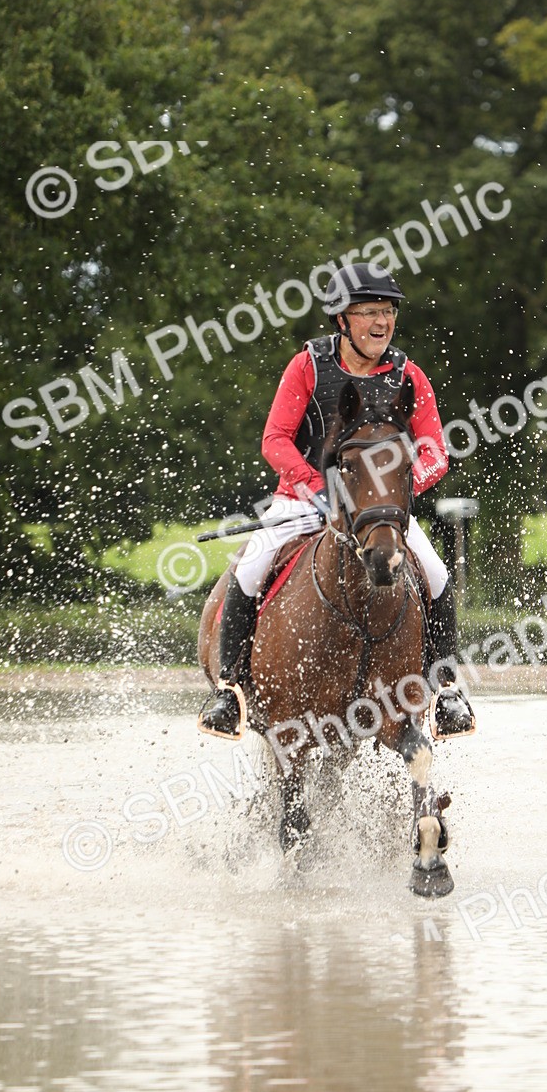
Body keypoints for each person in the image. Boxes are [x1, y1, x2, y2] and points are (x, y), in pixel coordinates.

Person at [199, 263, 474, 738]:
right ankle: (230, 690)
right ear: (342, 321)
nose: (381, 322)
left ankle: (446, 690)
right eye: (368, 311)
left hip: (375, 512)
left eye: (387, 311)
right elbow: (276, 440)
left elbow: (433, 449)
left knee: (436, 573)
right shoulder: (307, 365)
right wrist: (317, 488)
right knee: (249, 568)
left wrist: (401, 487)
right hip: (303, 500)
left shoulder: (409, 374)